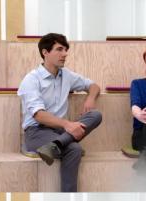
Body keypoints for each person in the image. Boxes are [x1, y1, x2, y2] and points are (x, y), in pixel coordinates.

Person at [18, 33, 103, 192]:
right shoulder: (31, 79)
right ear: (45, 52)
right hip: (37, 131)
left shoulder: (67, 75)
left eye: (65, 49)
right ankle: (69, 193)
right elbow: (39, 115)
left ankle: (55, 145)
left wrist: (90, 99)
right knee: (75, 149)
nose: (65, 54)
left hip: (60, 132)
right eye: (59, 49)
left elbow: (94, 86)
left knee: (96, 115)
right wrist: (68, 125)